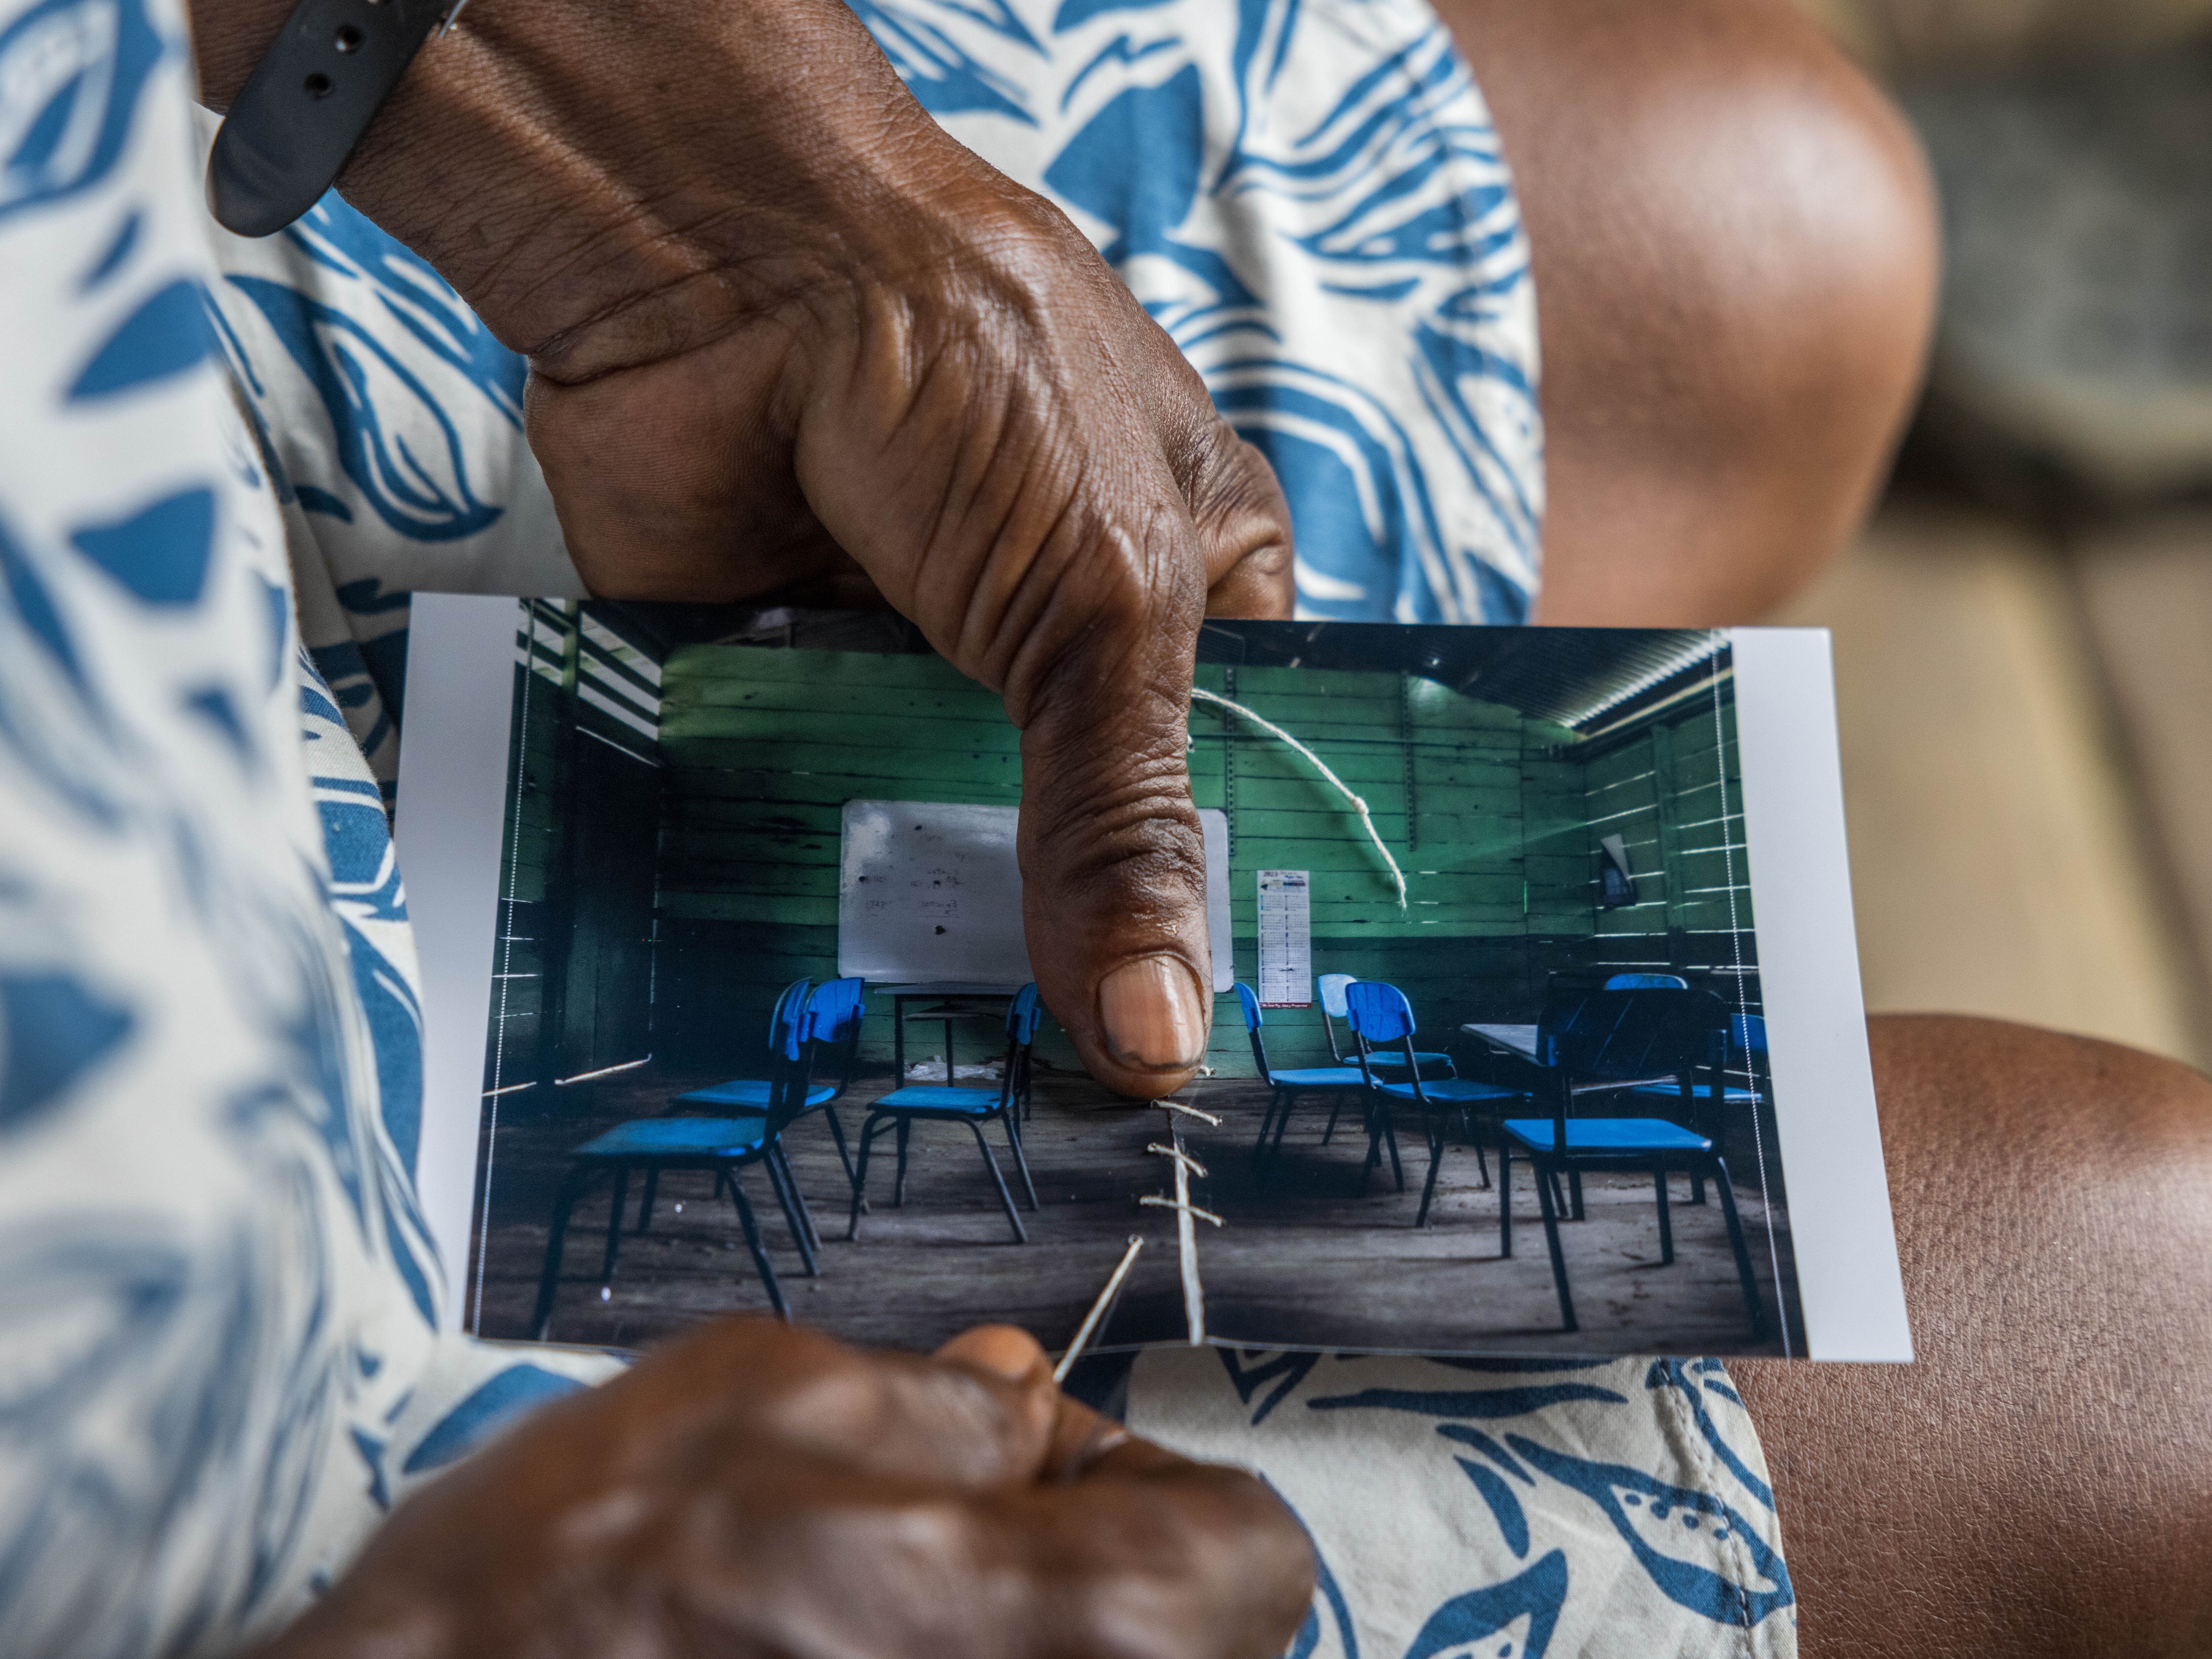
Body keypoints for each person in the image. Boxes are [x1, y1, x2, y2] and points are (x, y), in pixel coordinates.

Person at [4, 0, 2207, 1654]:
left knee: (1760, 240)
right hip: (211, 1469)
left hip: (82, 341)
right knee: (2151, 1314)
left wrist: (718, 195)